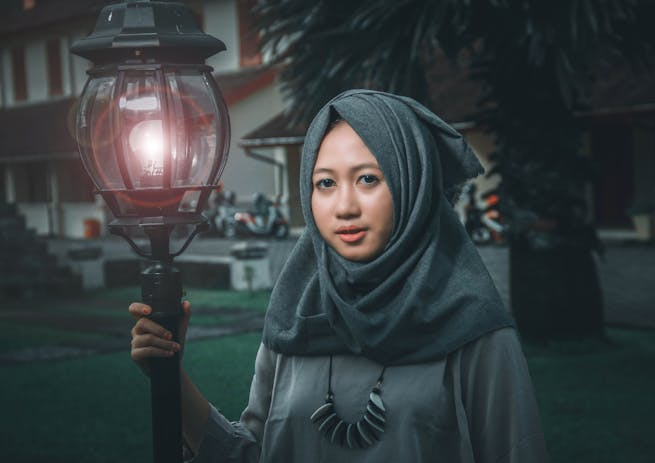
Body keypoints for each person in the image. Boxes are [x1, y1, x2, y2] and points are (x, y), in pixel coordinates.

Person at [129, 89, 548, 462]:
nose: (344, 206)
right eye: (325, 183)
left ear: (412, 185)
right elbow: (254, 454)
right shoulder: (296, 318)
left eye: (368, 179)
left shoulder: (474, 330)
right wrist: (169, 375)